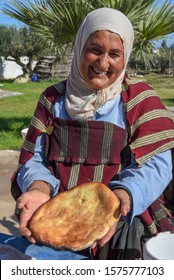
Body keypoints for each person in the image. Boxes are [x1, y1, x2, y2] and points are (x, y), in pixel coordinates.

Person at [11, 7, 174, 260]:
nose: (103, 62)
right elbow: (35, 157)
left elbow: (158, 163)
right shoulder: (53, 99)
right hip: (58, 220)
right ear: (79, 48)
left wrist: (124, 195)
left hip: (121, 223)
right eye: (95, 50)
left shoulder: (140, 100)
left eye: (114, 54)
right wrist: (39, 187)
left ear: (126, 56)